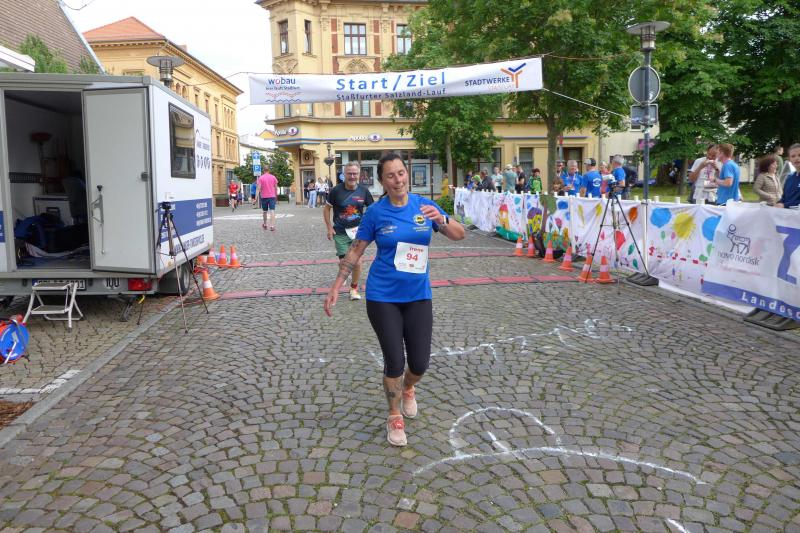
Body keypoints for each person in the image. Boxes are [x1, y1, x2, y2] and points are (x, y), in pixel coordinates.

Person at [323, 153, 465, 447]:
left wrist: (442, 219)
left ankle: (409, 388)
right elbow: (356, 250)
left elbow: (459, 234)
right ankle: (394, 415)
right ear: (382, 181)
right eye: (390, 175)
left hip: (418, 295)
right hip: (383, 296)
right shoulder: (376, 213)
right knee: (395, 360)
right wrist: (337, 285)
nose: (398, 179)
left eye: (401, 173)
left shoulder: (423, 206)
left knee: (420, 363)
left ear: (406, 174)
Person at [324, 161, 374, 300]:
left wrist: (370, 227)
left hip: (358, 233)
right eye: (349, 173)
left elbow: (372, 209)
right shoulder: (336, 191)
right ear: (344, 174)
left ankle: (354, 289)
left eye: (355, 174)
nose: (352, 176)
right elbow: (327, 209)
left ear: (359, 174)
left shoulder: (364, 191)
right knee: (344, 263)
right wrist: (329, 227)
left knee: (357, 262)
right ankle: (343, 272)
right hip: (340, 232)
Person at [776, 143, 800, 209]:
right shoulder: (789, 178)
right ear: (789, 159)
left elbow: (785, 204)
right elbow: (784, 198)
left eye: (799, 155)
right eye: (793, 156)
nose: (796, 158)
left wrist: (785, 205)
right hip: (786, 214)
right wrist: (778, 203)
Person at [255, 167, 278, 231]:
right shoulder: (273, 177)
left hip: (264, 197)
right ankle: (272, 226)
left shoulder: (260, 178)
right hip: (272, 196)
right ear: (269, 170)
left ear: (263, 170)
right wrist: (276, 196)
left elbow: (258, 188)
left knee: (265, 211)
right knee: (272, 210)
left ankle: (265, 224)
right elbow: (276, 188)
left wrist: (256, 198)